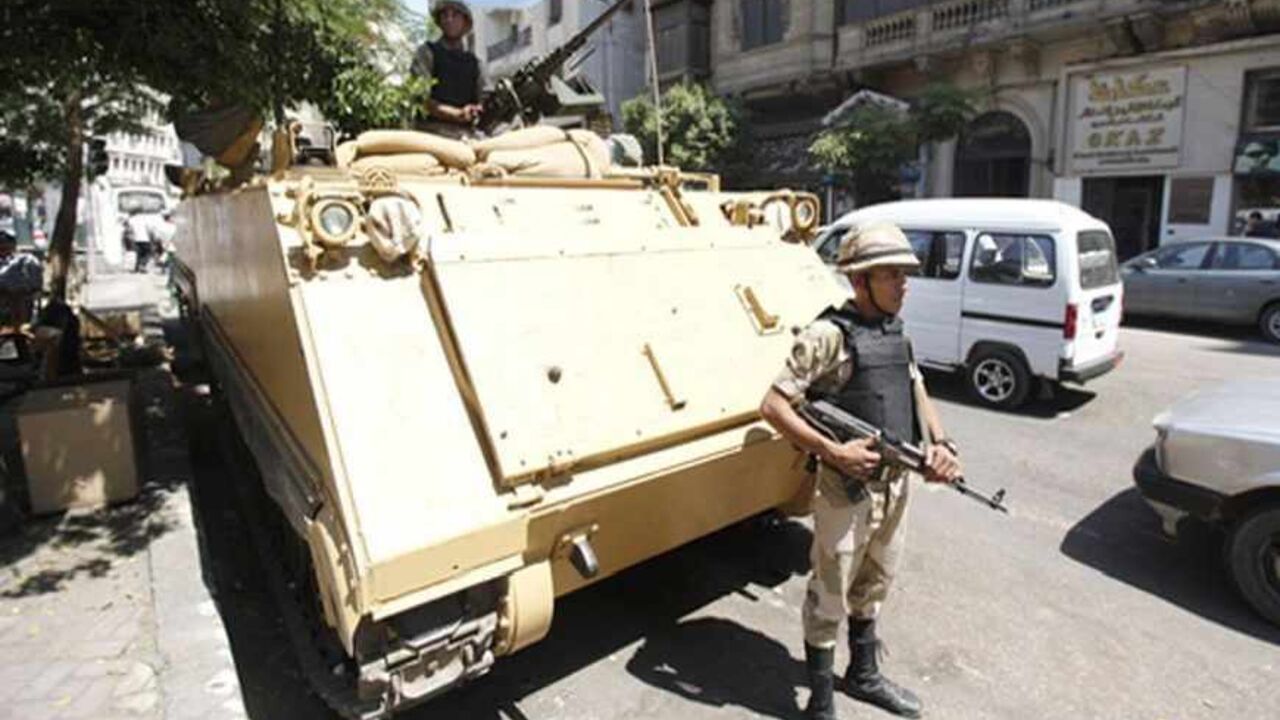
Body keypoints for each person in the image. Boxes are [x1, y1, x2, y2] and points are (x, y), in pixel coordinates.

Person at [759, 222, 963, 720]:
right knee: (829, 592)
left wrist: (941, 445)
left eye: (904, 275)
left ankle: (864, 674)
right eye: (891, 275)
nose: (903, 284)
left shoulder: (895, 332)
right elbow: (773, 405)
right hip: (845, 490)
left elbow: (916, 390)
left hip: (895, 485)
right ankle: (821, 705)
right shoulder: (827, 335)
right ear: (859, 282)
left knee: (875, 582)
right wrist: (834, 452)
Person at [410, 1, 484, 139]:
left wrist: (476, 110)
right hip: (431, 133)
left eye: (455, 14)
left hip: (466, 135)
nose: (449, 19)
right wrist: (457, 114)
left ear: (465, 21)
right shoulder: (427, 53)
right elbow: (421, 100)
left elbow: (482, 101)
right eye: (445, 15)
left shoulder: (475, 63)